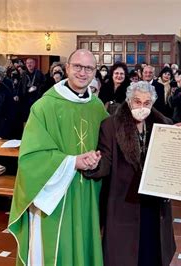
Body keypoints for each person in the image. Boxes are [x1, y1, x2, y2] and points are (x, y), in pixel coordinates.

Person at [8, 49, 108, 266]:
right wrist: (73, 162)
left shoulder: (97, 107)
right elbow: (31, 157)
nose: (83, 72)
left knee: (83, 240)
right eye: (78, 67)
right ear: (67, 69)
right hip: (53, 194)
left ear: (95, 73)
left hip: (86, 191)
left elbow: (109, 143)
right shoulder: (44, 106)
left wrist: (98, 157)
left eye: (89, 68)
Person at [84, 81, 176, 266]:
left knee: (153, 250)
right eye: (137, 101)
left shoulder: (164, 125)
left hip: (153, 201)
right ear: (128, 101)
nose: (142, 107)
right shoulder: (111, 126)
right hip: (124, 200)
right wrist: (93, 165)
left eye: (147, 103)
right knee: (124, 253)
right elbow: (106, 161)